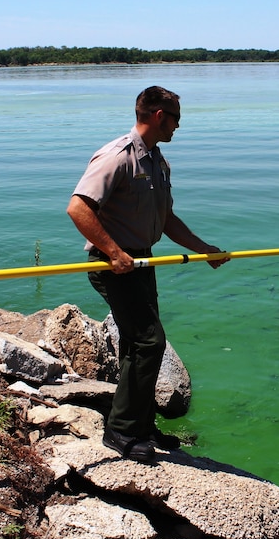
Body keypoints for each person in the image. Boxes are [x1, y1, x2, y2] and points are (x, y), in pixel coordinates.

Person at [67, 85, 228, 462]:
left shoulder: (157, 161)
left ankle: (140, 423)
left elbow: (166, 218)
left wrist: (204, 249)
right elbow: (78, 208)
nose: (178, 128)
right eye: (175, 120)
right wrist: (114, 252)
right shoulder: (117, 157)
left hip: (143, 263)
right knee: (149, 342)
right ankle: (121, 431)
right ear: (158, 116)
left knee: (134, 345)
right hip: (113, 267)